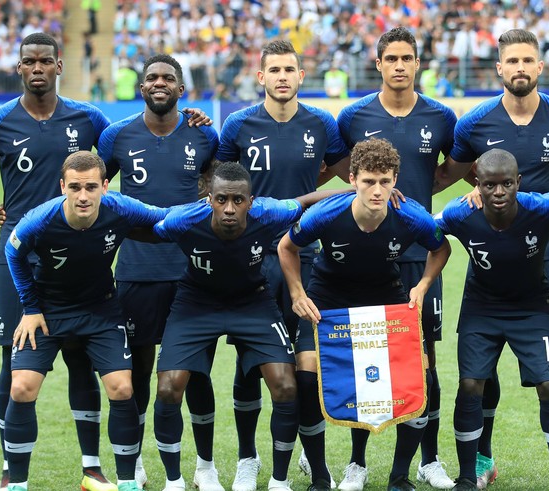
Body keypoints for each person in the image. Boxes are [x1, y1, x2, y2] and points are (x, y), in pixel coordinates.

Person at [0, 32, 115, 491]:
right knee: (14, 361)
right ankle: (9, 472)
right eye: (29, 62)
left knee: (81, 357)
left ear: (59, 66)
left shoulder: (89, 117)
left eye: (45, 61)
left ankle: (92, 469)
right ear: (18, 67)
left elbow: (118, 157)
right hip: (18, 255)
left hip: (79, 256)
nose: (37, 68)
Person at [435, 28, 549, 490]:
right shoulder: (475, 124)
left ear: (540, 67)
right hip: (493, 258)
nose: (520, 68)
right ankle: (482, 460)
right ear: (500, 68)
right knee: (482, 368)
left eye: (529, 60)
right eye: (513, 61)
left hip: (548, 255)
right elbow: (456, 176)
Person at [151, 162, 341, 491]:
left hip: (253, 302)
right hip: (196, 303)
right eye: (221, 199)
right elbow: (145, 226)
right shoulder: (184, 220)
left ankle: (279, 481)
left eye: (238, 201)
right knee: (168, 387)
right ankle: (178, 480)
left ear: (251, 202)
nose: (229, 208)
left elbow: (308, 200)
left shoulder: (268, 213)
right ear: (208, 199)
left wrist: (359, 190)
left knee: (285, 385)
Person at [278, 138, 452, 491]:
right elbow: (287, 246)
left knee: (421, 380)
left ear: (395, 180)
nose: (377, 190)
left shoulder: (410, 215)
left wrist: (421, 286)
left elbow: (441, 247)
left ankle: (399, 477)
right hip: (329, 296)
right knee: (308, 380)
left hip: (384, 295)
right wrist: (298, 292)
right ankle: (323, 475)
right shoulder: (327, 214)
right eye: (369, 181)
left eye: (385, 181)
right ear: (353, 178)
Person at [215, 39, 351, 491]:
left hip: (307, 257)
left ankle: (309, 459)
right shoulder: (237, 125)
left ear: (300, 76)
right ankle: (248, 459)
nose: (282, 77)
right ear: (261, 77)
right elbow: (218, 186)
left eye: (289, 69)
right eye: (274, 70)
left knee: (305, 366)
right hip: (251, 259)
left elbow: (341, 168)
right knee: (249, 362)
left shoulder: (321, 124)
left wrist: (305, 195)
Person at [334, 26, 458, 491]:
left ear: (417, 63)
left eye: (408, 58)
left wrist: (416, 197)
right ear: (379, 63)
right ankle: (357, 463)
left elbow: (452, 169)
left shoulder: (441, 117)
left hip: (420, 257)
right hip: (365, 258)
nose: (400, 65)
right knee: (366, 357)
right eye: (392, 58)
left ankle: (429, 460)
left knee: (424, 361)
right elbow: (338, 170)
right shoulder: (353, 116)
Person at [4, 151, 168, 491]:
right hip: (48, 311)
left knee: (123, 388)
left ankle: (127, 483)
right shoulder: (41, 219)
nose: (83, 196)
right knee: (21, 387)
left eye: (91, 187)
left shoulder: (120, 207)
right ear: (62, 186)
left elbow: (164, 216)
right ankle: (16, 484)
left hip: (100, 309)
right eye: (75, 187)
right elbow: (12, 251)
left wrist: (208, 209)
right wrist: (31, 307)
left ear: (105, 187)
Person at [96, 54, 221, 490]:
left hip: (193, 274)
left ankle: (206, 465)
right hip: (136, 271)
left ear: (182, 89)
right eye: (152, 78)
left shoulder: (204, 135)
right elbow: (95, 190)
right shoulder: (116, 137)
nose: (159, 83)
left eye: (168, 77)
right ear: (141, 86)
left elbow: (216, 189)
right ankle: (139, 462)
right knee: (138, 373)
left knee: (197, 372)